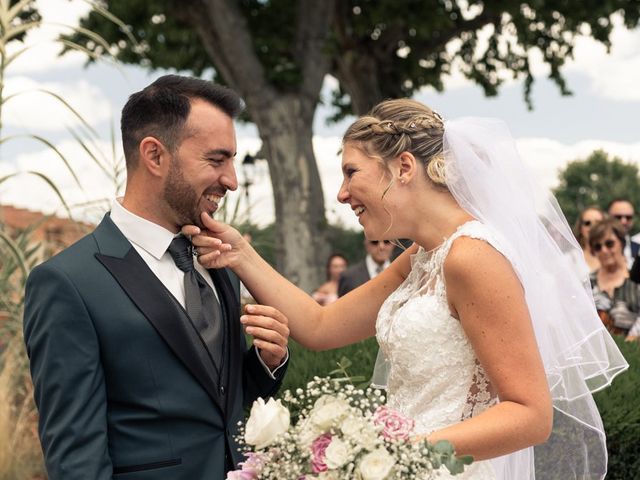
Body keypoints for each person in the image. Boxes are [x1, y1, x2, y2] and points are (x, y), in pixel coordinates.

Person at [187, 99, 627, 479]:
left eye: (351, 172)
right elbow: (320, 326)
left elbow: (531, 416)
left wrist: (394, 454)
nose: (341, 194)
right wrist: (240, 253)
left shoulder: (473, 257)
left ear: (403, 167)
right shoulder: (420, 256)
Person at [22, 75, 289, 480]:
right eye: (217, 160)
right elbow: (76, 456)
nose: (232, 180)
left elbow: (218, 404)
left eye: (233, 161)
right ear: (154, 155)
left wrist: (266, 363)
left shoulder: (219, 265)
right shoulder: (67, 283)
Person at [588, 217, 640, 341]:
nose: (604, 250)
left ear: (621, 243)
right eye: (597, 247)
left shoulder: (636, 281)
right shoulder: (586, 283)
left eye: (609, 244)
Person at [607, 198, 640, 268]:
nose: (624, 221)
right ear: (608, 218)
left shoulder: (638, 248)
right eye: (618, 217)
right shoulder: (599, 248)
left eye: (628, 217)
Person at [571, 206, 605, 273]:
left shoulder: (614, 256)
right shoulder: (570, 259)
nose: (592, 227)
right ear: (580, 228)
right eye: (587, 223)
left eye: (598, 223)